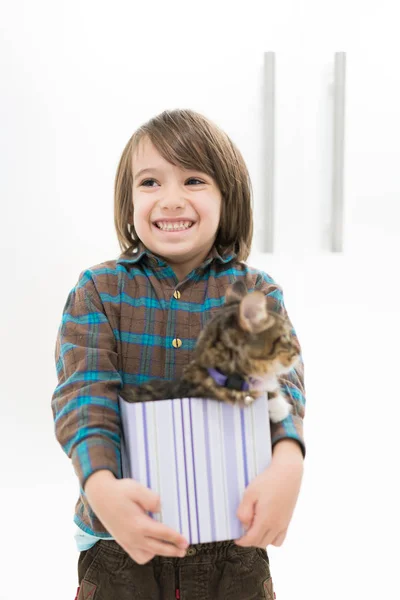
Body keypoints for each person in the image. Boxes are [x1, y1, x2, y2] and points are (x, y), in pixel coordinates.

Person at [51, 108, 306, 600]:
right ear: (128, 203)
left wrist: (288, 460)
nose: (171, 199)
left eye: (193, 179)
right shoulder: (98, 290)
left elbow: (281, 388)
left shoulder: (253, 292)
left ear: (226, 198)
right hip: (119, 542)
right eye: (150, 182)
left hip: (233, 544)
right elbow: (83, 397)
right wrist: (101, 485)